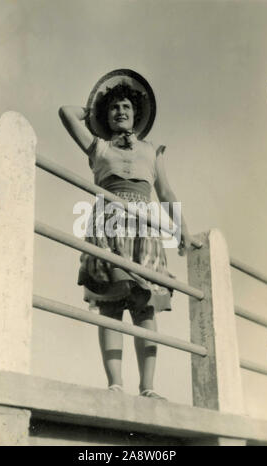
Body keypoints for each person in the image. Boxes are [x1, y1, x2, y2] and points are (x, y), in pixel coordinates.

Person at [58, 69, 192, 400]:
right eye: (114, 107)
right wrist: (94, 108)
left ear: (136, 115)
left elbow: (165, 192)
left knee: (144, 307)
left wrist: (181, 228)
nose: (120, 111)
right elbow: (65, 113)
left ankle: (148, 387)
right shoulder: (98, 147)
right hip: (109, 227)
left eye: (126, 107)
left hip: (143, 229)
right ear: (106, 115)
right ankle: (115, 385)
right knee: (111, 307)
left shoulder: (150, 151)